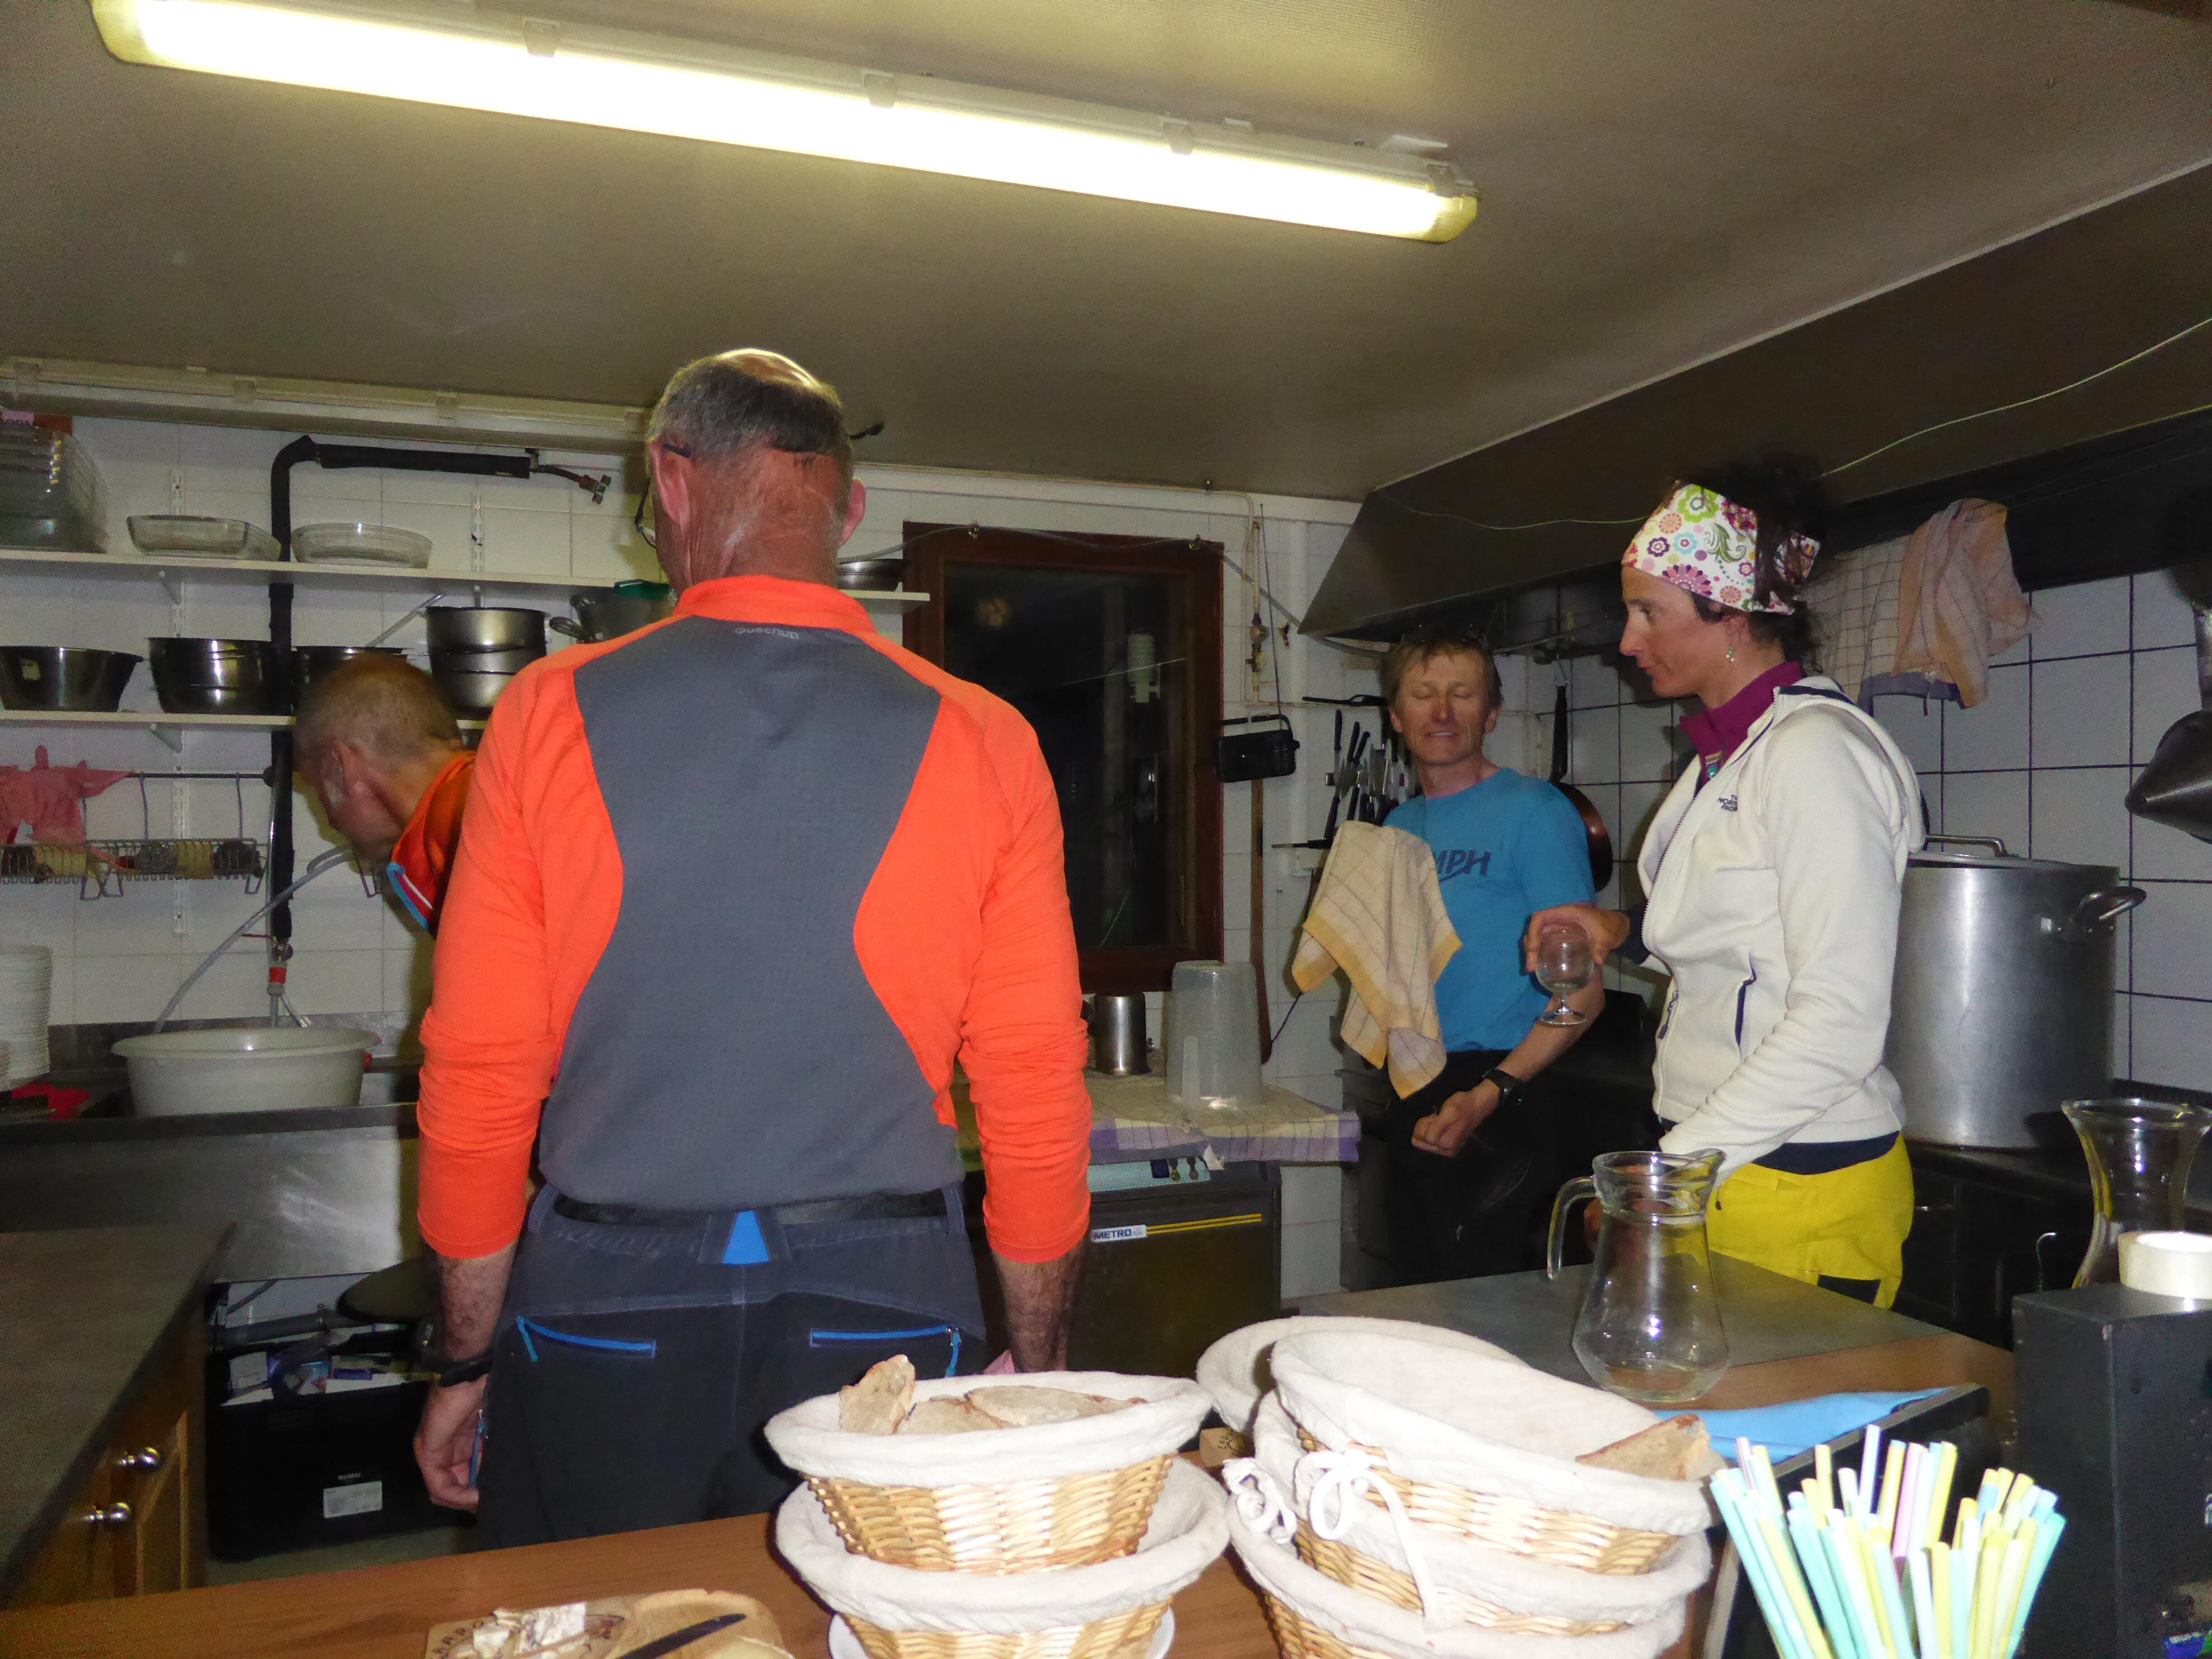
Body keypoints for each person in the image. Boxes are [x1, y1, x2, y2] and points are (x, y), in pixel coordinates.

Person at [409, 349, 1093, 1543]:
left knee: (607, 1619)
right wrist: (1035, 1364)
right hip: (885, 1312)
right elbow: (1034, 1087)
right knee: (867, 1618)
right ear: (847, 509)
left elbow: (480, 1073)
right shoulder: (987, 739)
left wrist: (463, 1359)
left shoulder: (545, 714)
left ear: (672, 484)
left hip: (608, 1307)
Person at [1527, 462, 1921, 1306]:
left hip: (1793, 1175)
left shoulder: (1814, 754)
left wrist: (1662, 1178)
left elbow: (1841, 1020)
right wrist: (1618, 931)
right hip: (1732, 1162)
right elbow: (1741, 929)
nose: (1627, 642)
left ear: (1732, 614)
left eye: (1649, 612)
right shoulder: (1733, 753)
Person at [1377, 624, 1604, 1282]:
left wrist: (1491, 1093)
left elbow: (1583, 993)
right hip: (1417, 1082)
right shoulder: (1398, 828)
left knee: (1490, 1308)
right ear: (1397, 716)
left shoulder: (1536, 812)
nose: (1442, 712)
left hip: (1508, 1091)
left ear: (1493, 713)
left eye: (1463, 694)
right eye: (1424, 694)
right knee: (1418, 1297)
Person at [294, 655, 473, 933]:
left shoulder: (470, 827)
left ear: (337, 768)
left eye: (318, 790)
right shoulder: (470, 808)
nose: (331, 824)